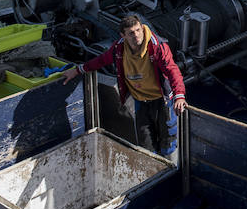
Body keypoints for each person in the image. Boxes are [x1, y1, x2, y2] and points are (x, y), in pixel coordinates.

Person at [61, 13, 187, 156]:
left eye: (138, 30)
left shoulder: (157, 46)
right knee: (146, 145)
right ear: (123, 35)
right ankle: (155, 170)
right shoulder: (118, 49)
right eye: (131, 33)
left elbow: (172, 70)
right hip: (141, 102)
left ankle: (170, 167)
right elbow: (101, 61)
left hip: (162, 101)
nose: (136, 35)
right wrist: (78, 70)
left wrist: (179, 96)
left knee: (168, 142)